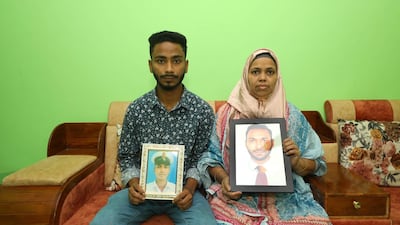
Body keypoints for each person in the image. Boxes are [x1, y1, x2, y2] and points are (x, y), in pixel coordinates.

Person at [90, 31, 217, 225]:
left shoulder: (202, 111)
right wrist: (133, 185)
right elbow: (126, 156)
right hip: (141, 195)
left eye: (176, 61)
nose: (168, 69)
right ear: (150, 65)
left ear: (186, 65)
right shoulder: (136, 109)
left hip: (184, 195)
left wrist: (189, 190)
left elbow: (202, 157)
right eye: (160, 60)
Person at [198, 48, 331, 225]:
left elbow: (318, 164)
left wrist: (297, 163)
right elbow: (210, 158)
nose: (262, 78)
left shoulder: (292, 116)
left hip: (286, 200)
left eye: (270, 72)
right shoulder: (226, 115)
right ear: (246, 75)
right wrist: (224, 179)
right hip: (236, 201)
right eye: (255, 72)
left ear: (277, 77)